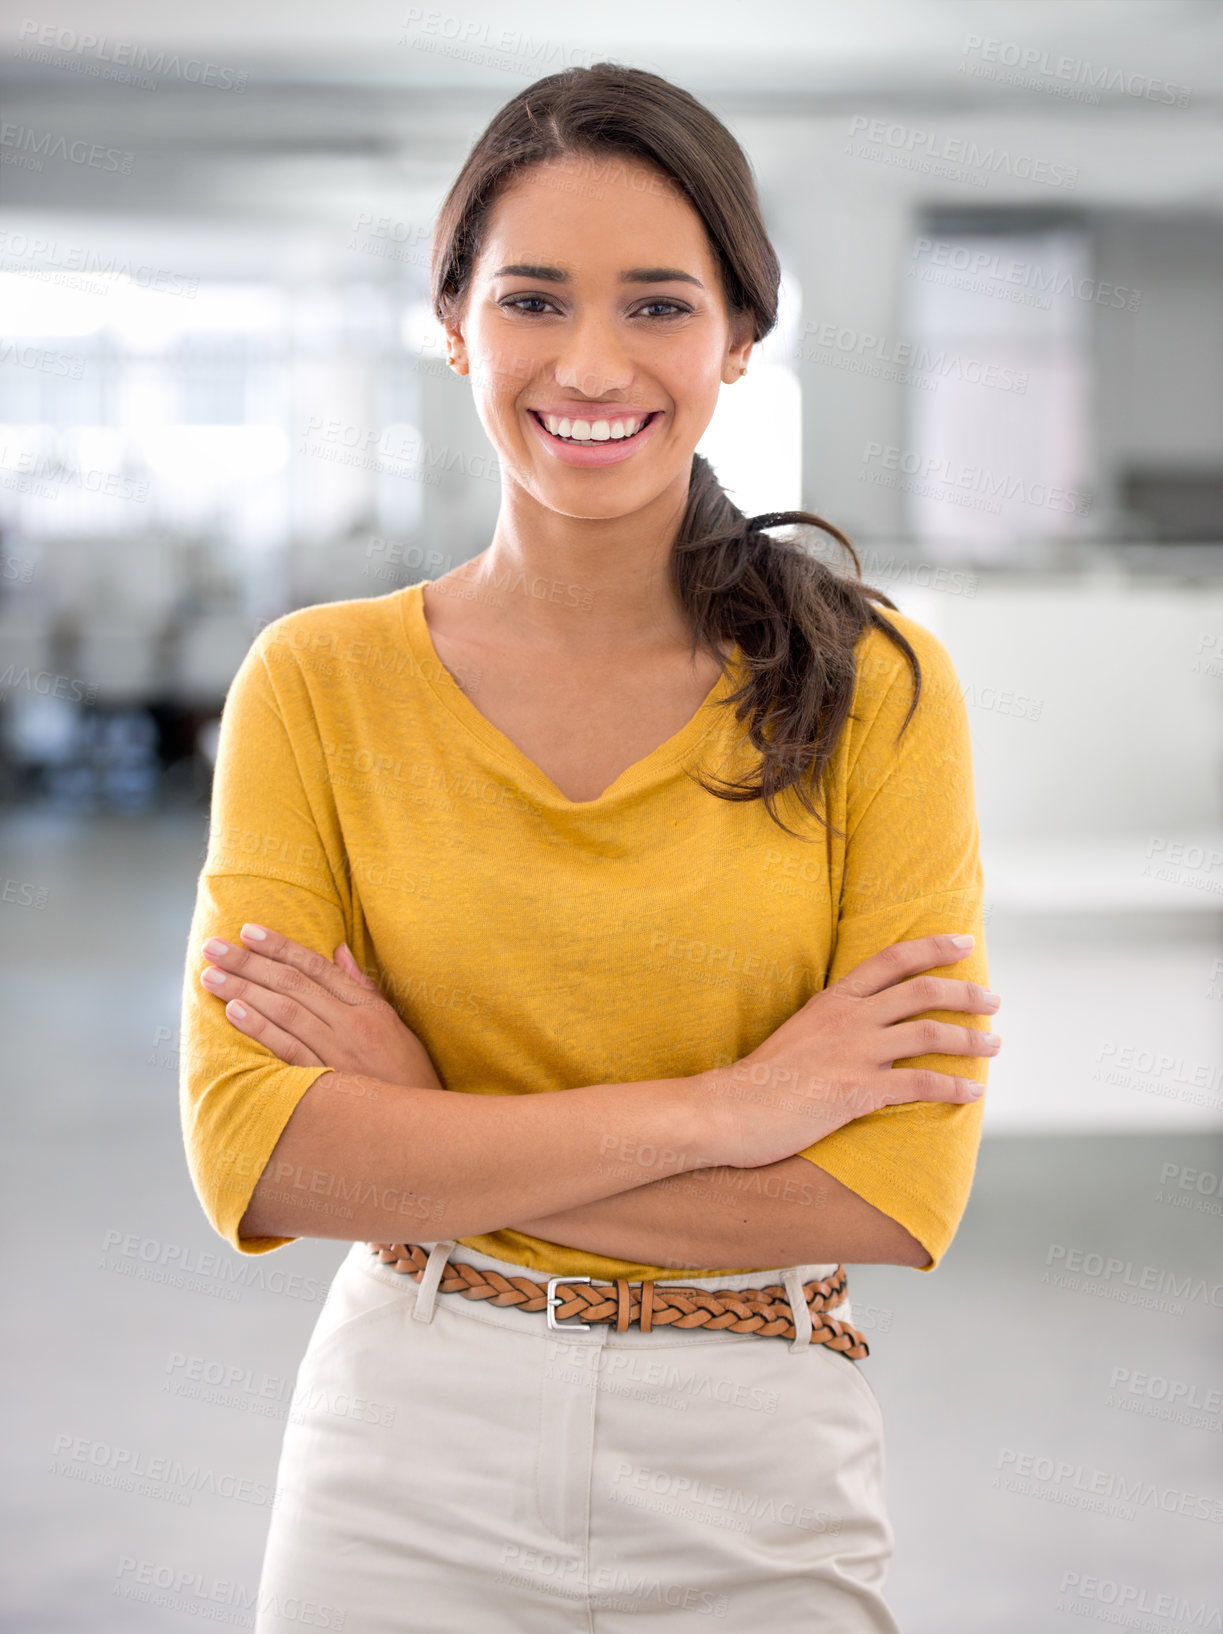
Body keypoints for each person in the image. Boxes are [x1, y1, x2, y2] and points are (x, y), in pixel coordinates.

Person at [178, 61, 1000, 1633]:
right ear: (456, 323)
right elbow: (266, 1151)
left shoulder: (874, 688)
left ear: (741, 339)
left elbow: (887, 1193)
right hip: (408, 1449)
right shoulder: (317, 684)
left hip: (754, 1455)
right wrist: (740, 1107)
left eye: (661, 306)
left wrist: (427, 1134)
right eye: (535, 300)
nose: (593, 361)